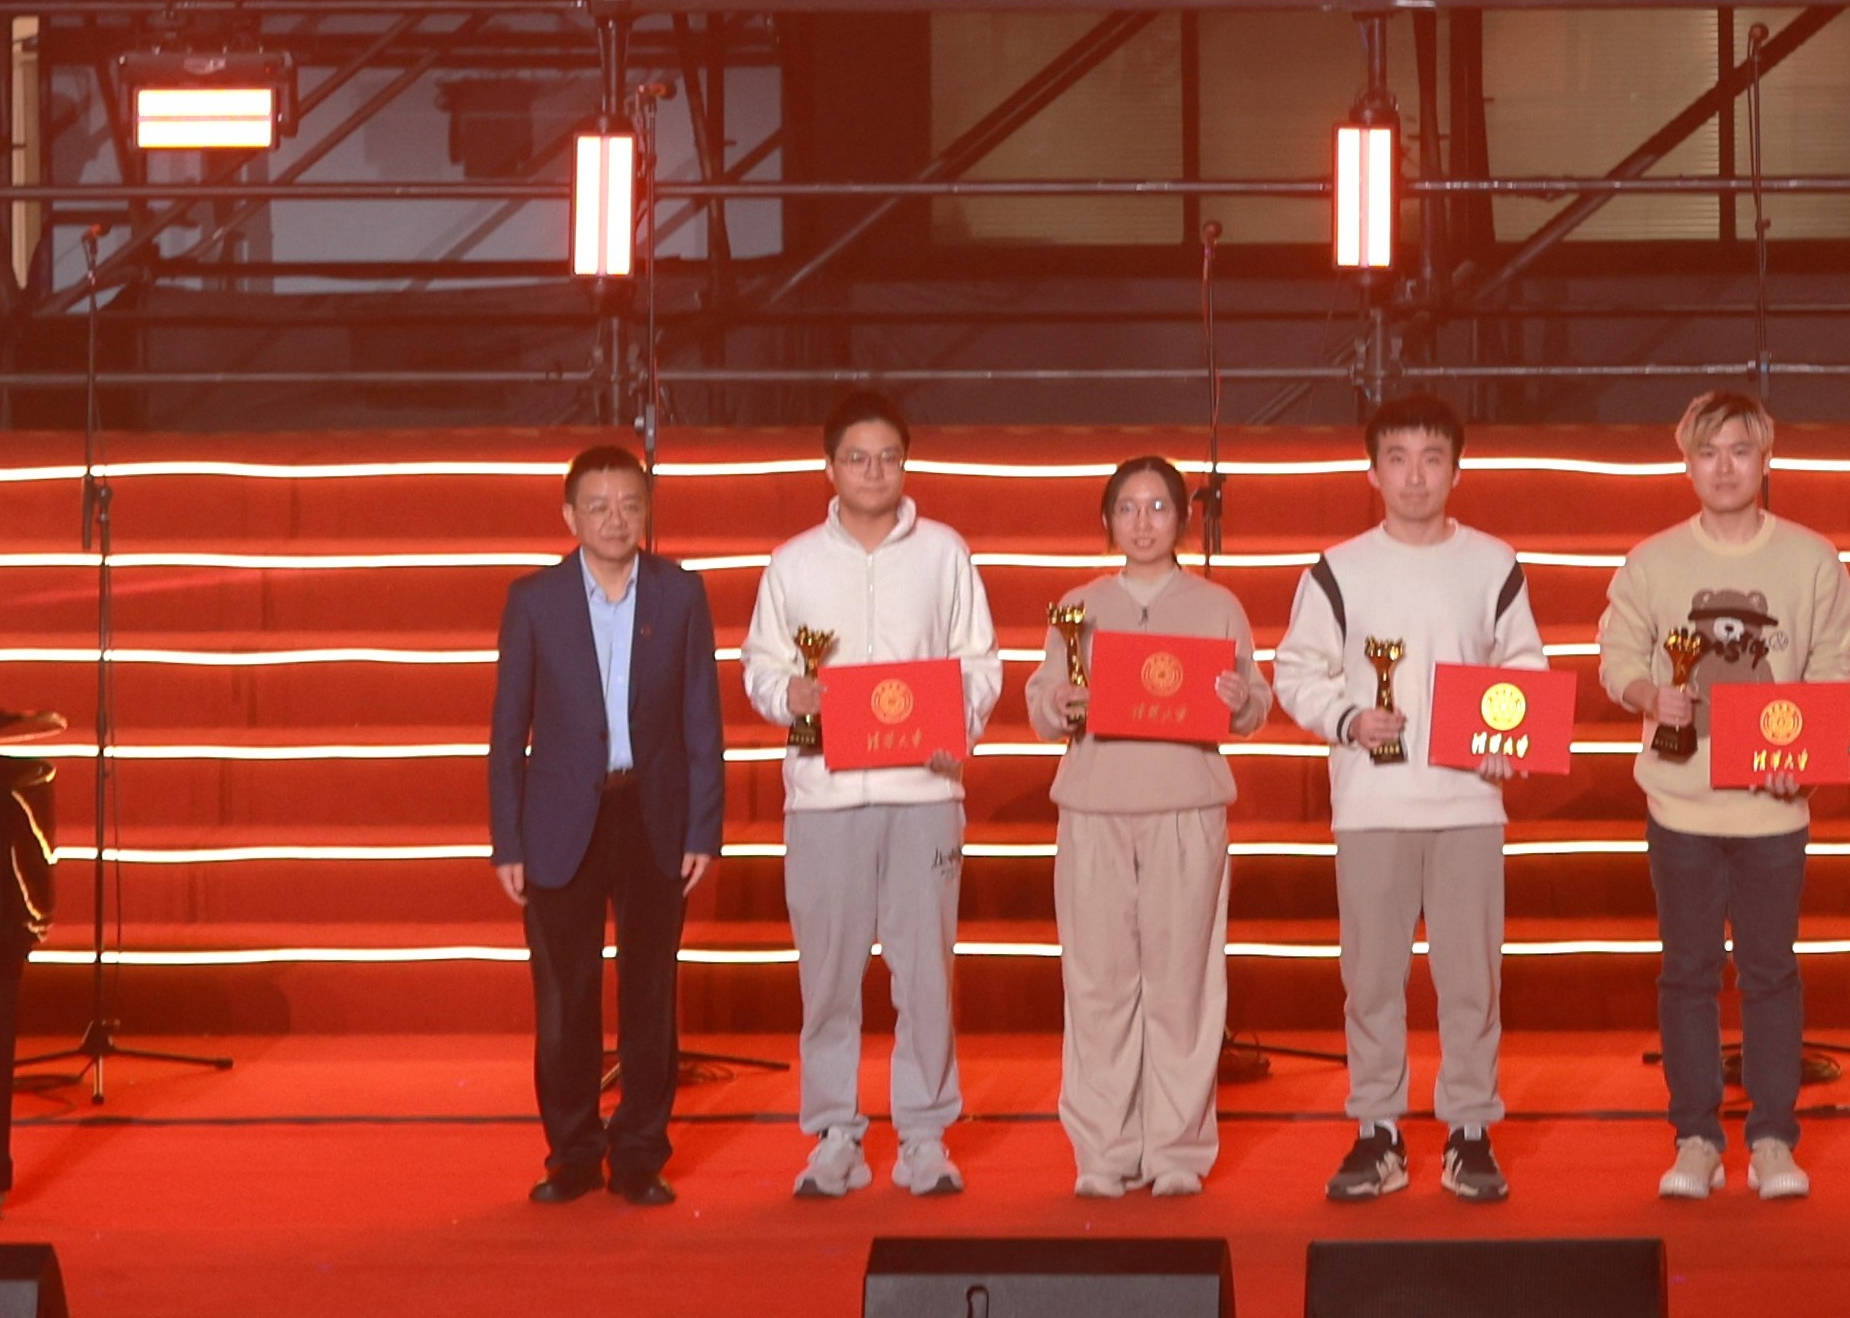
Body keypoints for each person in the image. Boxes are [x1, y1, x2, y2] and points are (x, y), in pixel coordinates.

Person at [1272, 390, 1549, 1207]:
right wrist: (1350, 717)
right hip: (1372, 805)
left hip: (1469, 803)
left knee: (1472, 981)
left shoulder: (1493, 563)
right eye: (1398, 458)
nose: (1415, 474)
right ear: (1373, 471)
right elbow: (1296, 670)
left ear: (1456, 469)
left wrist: (1508, 737)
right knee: (1370, 979)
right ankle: (1378, 1128)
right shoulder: (1336, 569)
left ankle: (1470, 1128)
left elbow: (1524, 666)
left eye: (1432, 457)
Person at [1595, 388, 1850, 1204]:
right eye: (1707, 451)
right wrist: (1649, 694)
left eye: (1739, 450)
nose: (1723, 467)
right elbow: (1615, 654)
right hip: (1679, 804)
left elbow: (1833, 665)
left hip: (1773, 810)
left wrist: (1804, 758)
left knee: (1771, 972)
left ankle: (1774, 1137)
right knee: (1687, 973)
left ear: (1766, 459)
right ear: (1686, 463)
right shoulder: (1652, 561)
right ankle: (1696, 1137)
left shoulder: (1812, 559)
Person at [742, 389, 998, 1200]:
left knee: (925, 973)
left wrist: (958, 726)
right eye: (857, 457)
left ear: (905, 463)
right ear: (830, 467)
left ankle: (924, 1133)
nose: (874, 470)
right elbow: (758, 666)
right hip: (824, 797)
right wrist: (790, 695)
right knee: (827, 975)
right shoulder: (792, 563)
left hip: (925, 792)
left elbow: (979, 659)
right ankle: (834, 1133)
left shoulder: (945, 552)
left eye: (888, 456)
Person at [1022, 452, 1266, 1199]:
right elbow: (1042, 698)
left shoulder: (1217, 605)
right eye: (1127, 508)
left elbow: (1254, 701)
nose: (1143, 522)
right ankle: (1104, 1149)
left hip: (1186, 809)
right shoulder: (1079, 605)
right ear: (1107, 520)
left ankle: (1176, 1150)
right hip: (1095, 811)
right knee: (1097, 985)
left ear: (1181, 519)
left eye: (1158, 507)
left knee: (1182, 986)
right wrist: (1058, 702)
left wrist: (1239, 699)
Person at [486, 442, 723, 1206]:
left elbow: (701, 716)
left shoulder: (680, 593)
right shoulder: (534, 599)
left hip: (654, 814)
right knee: (565, 997)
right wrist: (507, 837)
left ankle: (641, 1153)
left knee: (651, 991)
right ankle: (573, 1152)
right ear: (570, 515)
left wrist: (703, 827)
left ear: (646, 509)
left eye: (629, 504)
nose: (615, 519)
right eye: (598, 505)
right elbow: (507, 729)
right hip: (559, 818)